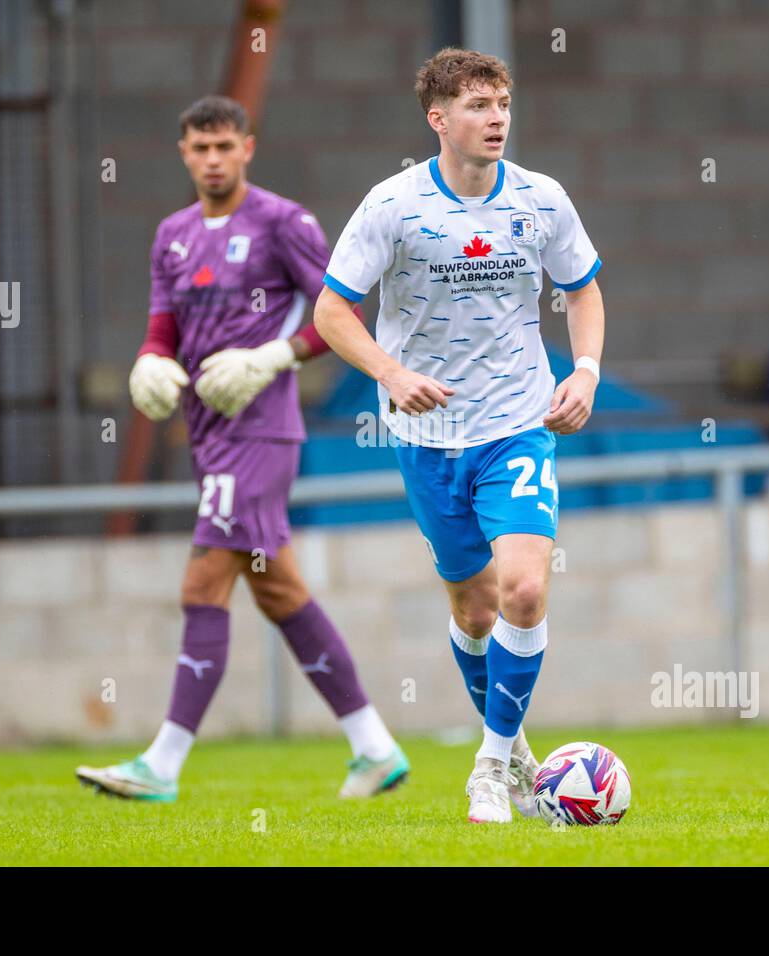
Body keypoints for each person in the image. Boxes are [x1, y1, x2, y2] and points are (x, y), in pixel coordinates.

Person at [76, 95, 406, 802]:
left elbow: (335, 315)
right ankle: (374, 747)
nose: (214, 159)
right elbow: (161, 327)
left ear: (248, 148)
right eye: (201, 148)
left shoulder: (283, 223)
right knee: (280, 590)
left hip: (261, 433)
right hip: (206, 433)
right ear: (184, 154)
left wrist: (270, 358)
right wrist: (147, 362)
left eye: (226, 146)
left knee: (201, 585)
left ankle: (161, 765)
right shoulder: (171, 234)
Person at [313, 49, 605, 823]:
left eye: (503, 102)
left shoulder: (542, 200)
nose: (497, 118)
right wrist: (392, 373)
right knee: (475, 612)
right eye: (478, 105)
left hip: (518, 424)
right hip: (429, 435)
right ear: (438, 120)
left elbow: (582, 291)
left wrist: (586, 371)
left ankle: (486, 766)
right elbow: (331, 311)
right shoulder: (393, 207)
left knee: (526, 589)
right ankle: (512, 749)